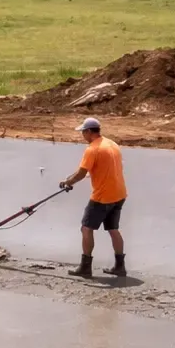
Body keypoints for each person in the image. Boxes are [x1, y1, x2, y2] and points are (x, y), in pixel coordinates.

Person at [59, 117, 127, 278]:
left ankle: (86, 267)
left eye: (83, 131)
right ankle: (120, 267)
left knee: (86, 228)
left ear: (89, 132)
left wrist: (67, 182)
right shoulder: (112, 144)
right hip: (119, 194)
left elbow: (82, 172)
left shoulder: (92, 149)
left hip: (102, 197)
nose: (82, 135)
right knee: (113, 229)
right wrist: (72, 178)